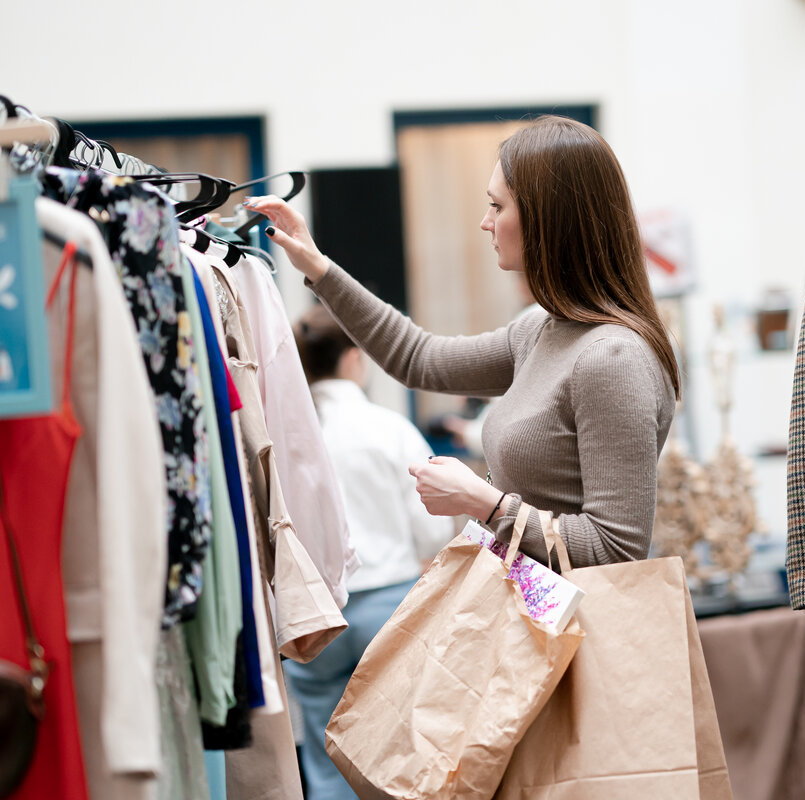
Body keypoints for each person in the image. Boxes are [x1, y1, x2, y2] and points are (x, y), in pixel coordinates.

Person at [245, 114, 679, 569]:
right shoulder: (540, 330)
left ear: (547, 220)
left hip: (580, 633)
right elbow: (419, 358)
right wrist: (319, 267)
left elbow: (617, 549)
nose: (485, 222)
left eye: (497, 206)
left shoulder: (612, 358)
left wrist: (484, 502)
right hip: (537, 623)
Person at [283, 303, 454, 800]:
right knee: (404, 744)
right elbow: (432, 530)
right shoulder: (389, 428)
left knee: (324, 745)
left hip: (315, 612)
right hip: (392, 604)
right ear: (354, 359)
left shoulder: (289, 432)